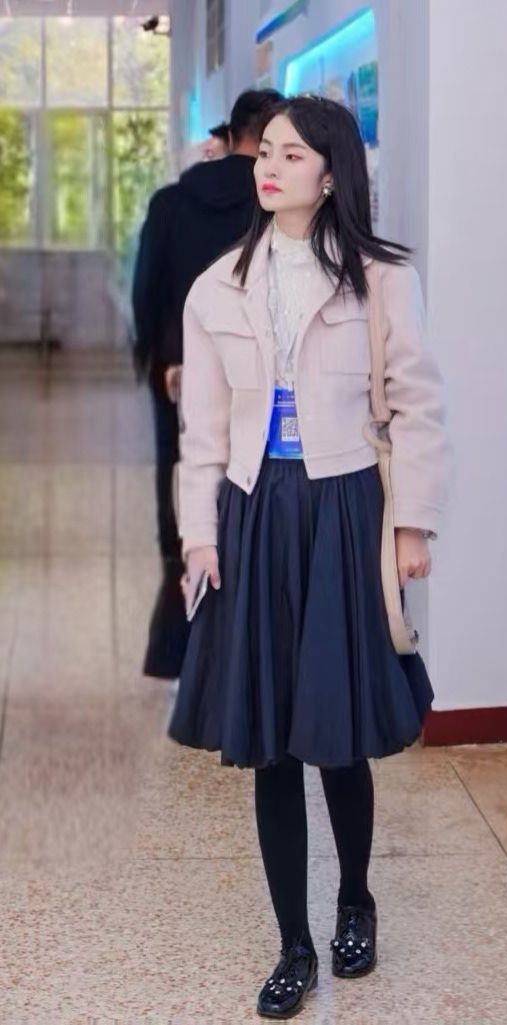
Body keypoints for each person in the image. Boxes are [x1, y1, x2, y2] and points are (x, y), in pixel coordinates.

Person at [167, 96, 451, 1018]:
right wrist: (199, 535)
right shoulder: (215, 288)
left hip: (344, 505)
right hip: (255, 510)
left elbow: (417, 404)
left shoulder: (383, 280)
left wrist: (411, 524)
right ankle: (293, 941)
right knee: (270, 740)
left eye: (293, 155)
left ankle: (354, 899)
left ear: (332, 173)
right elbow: (203, 430)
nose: (270, 166)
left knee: (336, 729)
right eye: (268, 152)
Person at [132, 88, 283, 680]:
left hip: (177, 369)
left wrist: (154, 360)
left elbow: (146, 291)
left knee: (181, 478)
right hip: (255, 372)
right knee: (248, 482)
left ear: (232, 132)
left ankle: (181, 627)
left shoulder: (171, 202)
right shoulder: (275, 205)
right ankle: (245, 632)